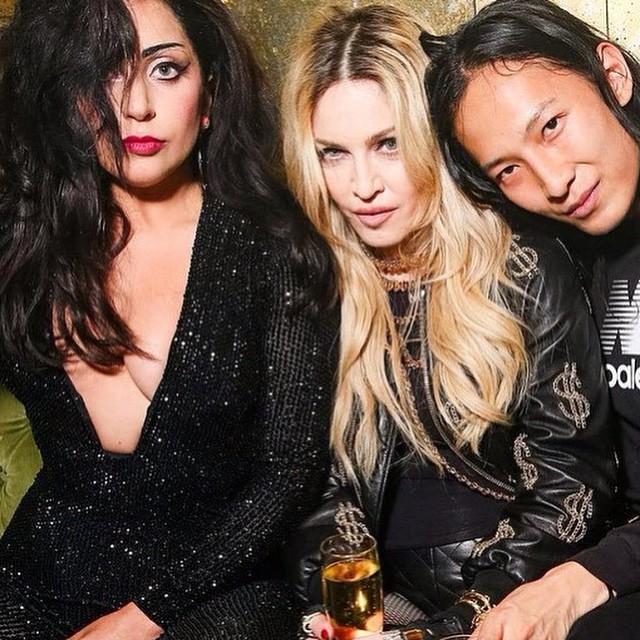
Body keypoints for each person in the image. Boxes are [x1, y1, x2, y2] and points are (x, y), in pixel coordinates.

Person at [0, 0, 339, 638]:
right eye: (104, 72)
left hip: (213, 595)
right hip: (35, 584)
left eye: (165, 69)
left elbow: (290, 471)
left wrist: (144, 617)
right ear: (68, 99)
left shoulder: (275, 249)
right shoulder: (24, 245)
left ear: (208, 95)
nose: (136, 106)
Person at [280, 4, 616, 640]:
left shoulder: (523, 266)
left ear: (433, 137)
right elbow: (312, 488)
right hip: (377, 599)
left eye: (388, 144)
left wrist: (469, 615)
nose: (362, 186)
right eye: (333, 153)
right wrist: (339, 605)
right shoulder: (317, 284)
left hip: (512, 591)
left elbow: (571, 482)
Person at [424, 0, 640, 637]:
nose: (553, 181)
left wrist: (585, 579)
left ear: (612, 75)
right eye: (509, 168)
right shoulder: (568, 255)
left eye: (551, 125)